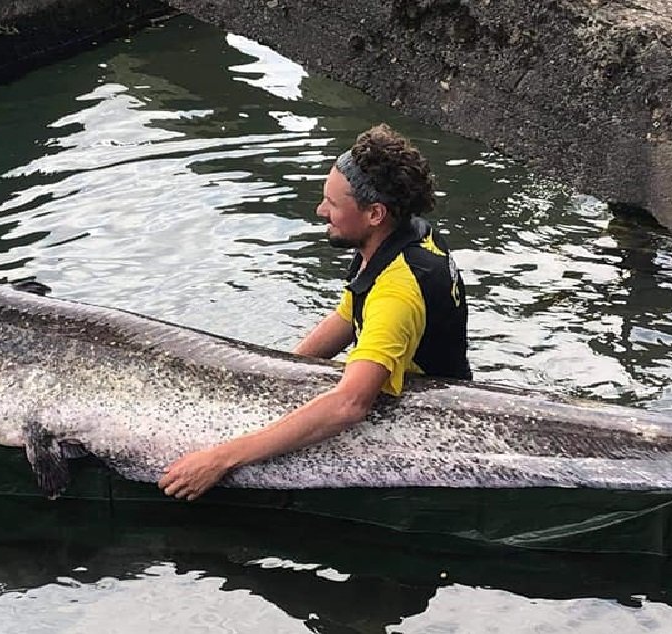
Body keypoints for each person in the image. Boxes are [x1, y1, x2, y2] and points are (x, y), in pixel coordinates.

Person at [158, 123, 470, 500]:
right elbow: (347, 316)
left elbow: (349, 405)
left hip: (429, 423)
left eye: (333, 205)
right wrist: (274, 374)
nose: (321, 210)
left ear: (375, 213)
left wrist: (221, 459)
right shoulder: (409, 237)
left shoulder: (397, 293)